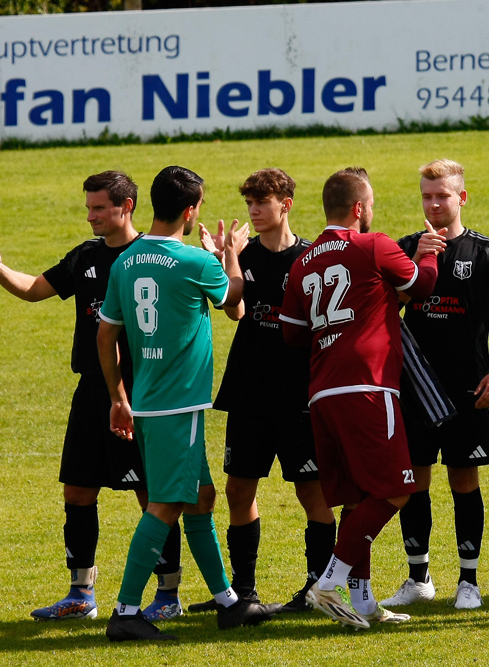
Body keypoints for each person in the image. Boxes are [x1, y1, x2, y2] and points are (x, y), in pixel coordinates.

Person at [0, 171, 182, 623]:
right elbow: (35, 290)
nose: (91, 216)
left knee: (151, 494)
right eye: (88, 208)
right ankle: (81, 592)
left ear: (126, 207)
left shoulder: (151, 258)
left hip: (141, 394)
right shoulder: (84, 256)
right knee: (78, 491)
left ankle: (167, 594)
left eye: (99, 208)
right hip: (92, 392)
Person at [97, 165, 278, 642]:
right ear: (191, 209)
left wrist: (119, 397)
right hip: (179, 405)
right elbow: (234, 299)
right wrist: (230, 256)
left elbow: (105, 335)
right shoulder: (195, 263)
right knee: (166, 504)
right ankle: (126, 611)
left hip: (149, 400)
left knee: (201, 499)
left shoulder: (126, 261)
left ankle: (228, 602)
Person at [280, 167, 444, 629]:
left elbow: (293, 334)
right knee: (396, 488)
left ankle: (366, 601)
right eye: (369, 204)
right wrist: (427, 256)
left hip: (323, 392)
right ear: (358, 208)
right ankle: (329, 582)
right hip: (369, 387)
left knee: (357, 497)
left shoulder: (303, 260)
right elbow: (421, 286)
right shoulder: (374, 244)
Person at [186, 168, 337, 615]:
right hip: (250, 392)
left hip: (300, 397)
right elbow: (234, 312)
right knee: (238, 491)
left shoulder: (312, 258)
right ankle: (243, 592)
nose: (253, 210)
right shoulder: (244, 255)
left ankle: (316, 590)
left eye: (261, 202)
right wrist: (225, 260)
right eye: (249, 202)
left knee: (313, 492)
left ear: (285, 204)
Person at [382, 159, 489, 611]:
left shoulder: (486, 251)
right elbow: (382, 312)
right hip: (413, 386)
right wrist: (420, 259)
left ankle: (469, 581)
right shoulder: (403, 248)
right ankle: (418, 577)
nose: (434, 204)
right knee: (414, 480)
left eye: (442, 195)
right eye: (426, 195)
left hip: (466, 387)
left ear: (462, 197)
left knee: (463, 478)